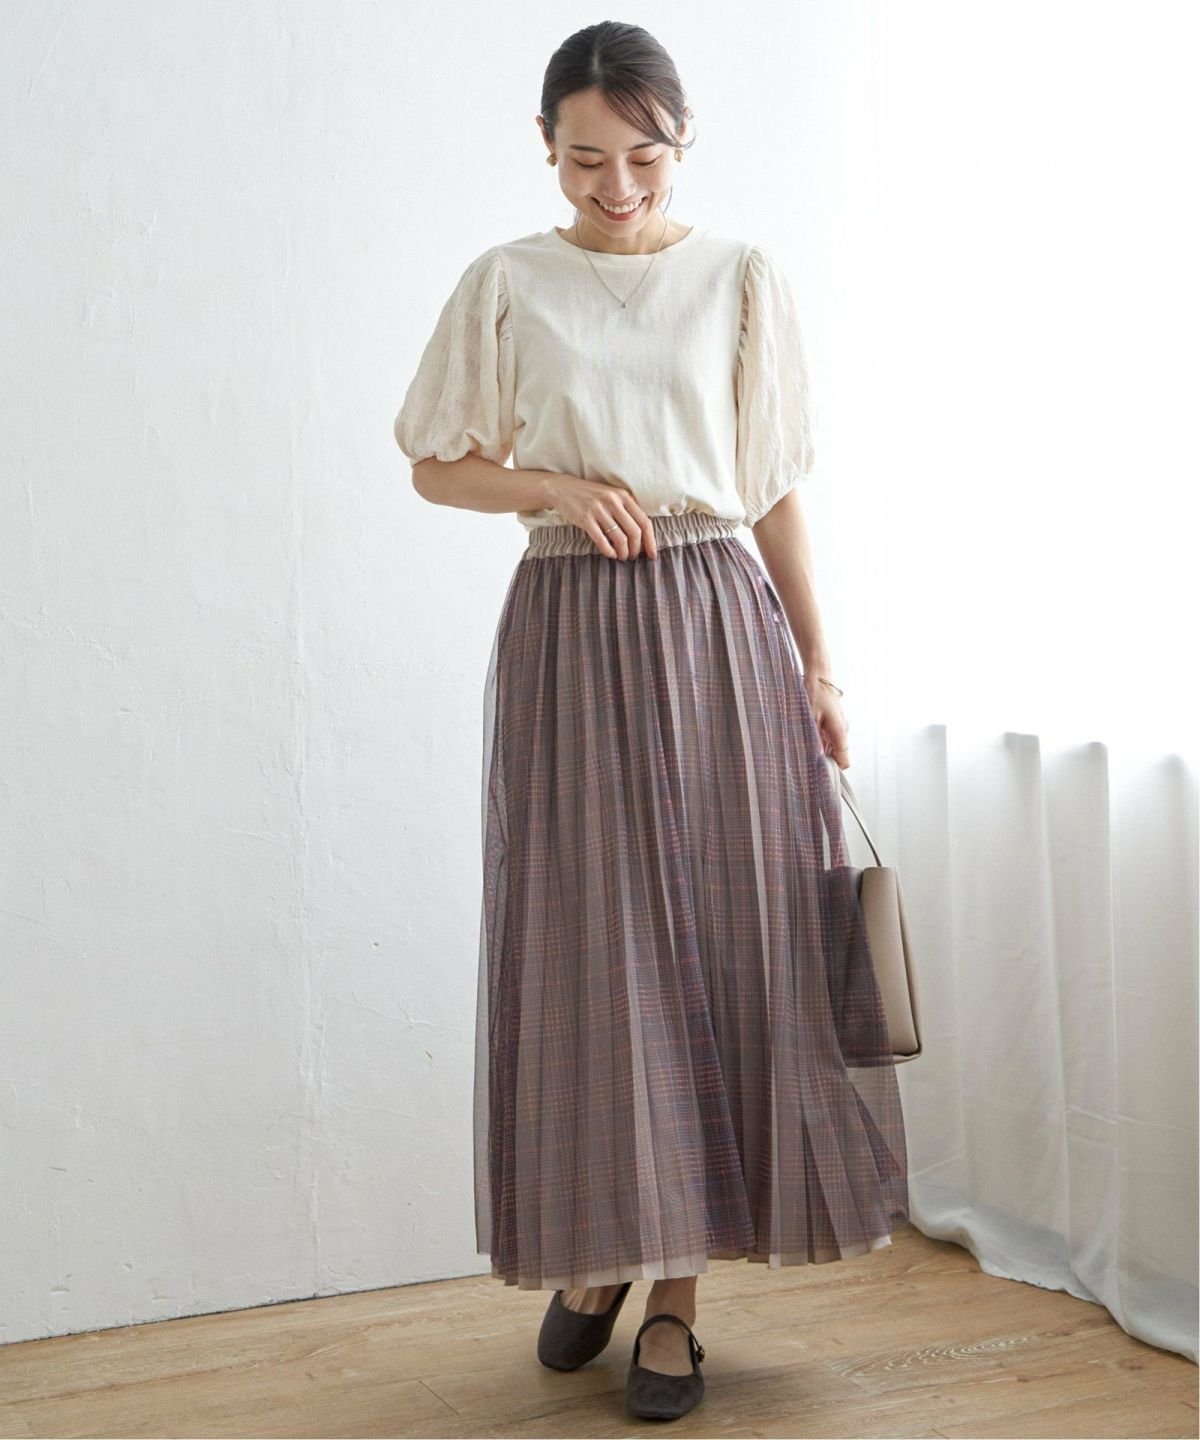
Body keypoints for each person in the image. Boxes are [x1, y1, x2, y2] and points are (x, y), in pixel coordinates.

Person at [394, 22, 909, 1422]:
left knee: (724, 944)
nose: (614, 187)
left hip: (715, 625)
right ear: (544, 147)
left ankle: (675, 1296)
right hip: (569, 628)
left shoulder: (739, 278)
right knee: (592, 951)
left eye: (642, 156)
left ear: (684, 143)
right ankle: (604, 1247)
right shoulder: (507, 281)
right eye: (583, 160)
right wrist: (554, 488)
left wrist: (820, 666)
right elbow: (437, 464)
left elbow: (773, 482)